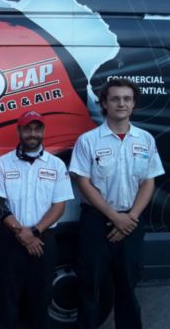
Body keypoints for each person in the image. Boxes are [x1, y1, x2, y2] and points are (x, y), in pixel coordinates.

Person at [69, 78, 165, 329]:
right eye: (115, 99)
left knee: (128, 287)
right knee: (90, 286)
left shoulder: (145, 139)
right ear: (104, 104)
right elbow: (83, 182)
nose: (121, 103)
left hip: (131, 222)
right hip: (96, 222)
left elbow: (148, 182)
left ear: (133, 104)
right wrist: (115, 216)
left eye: (127, 99)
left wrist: (129, 217)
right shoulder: (88, 140)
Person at [0, 111, 74, 329]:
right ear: (19, 131)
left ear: (43, 132)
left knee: (40, 299)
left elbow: (59, 206)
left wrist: (34, 232)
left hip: (43, 240)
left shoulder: (56, 165)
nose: (32, 133)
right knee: (7, 300)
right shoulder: (2, 163)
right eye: (27, 128)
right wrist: (23, 234)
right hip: (10, 240)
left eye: (37, 129)